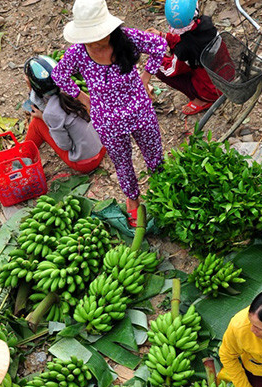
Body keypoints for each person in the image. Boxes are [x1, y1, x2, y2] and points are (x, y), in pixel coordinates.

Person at [51, 0, 166, 227]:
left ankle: (163, 188)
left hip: (140, 111)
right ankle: (133, 198)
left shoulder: (127, 39)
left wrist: (146, 78)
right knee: (122, 162)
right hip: (108, 120)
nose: (94, 41)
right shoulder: (79, 53)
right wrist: (84, 99)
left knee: (154, 154)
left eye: (98, 34)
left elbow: (159, 45)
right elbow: (59, 75)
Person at [23, 55, 107, 174]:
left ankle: (23, 158)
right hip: (102, 147)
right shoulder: (74, 92)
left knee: (37, 123)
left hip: (86, 163)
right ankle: (24, 155)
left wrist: (43, 118)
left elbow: (65, 146)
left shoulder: (50, 113)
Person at [153, 0, 222, 115]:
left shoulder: (185, 48)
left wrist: (155, 55)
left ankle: (203, 100)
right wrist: (163, 37)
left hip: (211, 90)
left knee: (158, 69)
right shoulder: (205, 23)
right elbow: (183, 39)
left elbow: (170, 70)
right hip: (224, 74)